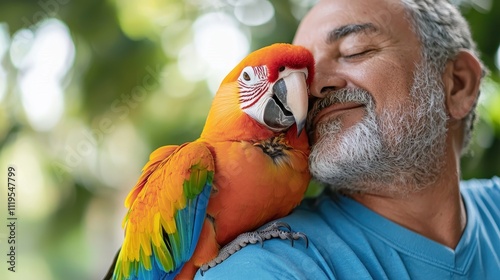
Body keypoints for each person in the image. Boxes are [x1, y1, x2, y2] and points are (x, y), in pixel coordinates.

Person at [195, 0, 500, 279]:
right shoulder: (269, 267)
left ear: (458, 84)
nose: (314, 87)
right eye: (306, 75)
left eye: (355, 50)